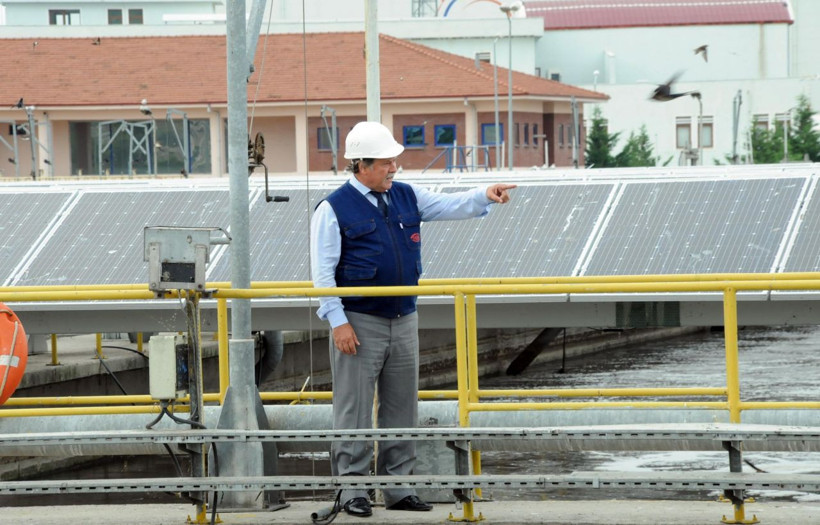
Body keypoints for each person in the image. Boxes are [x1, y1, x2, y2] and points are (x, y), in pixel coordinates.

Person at [310, 121, 516, 518]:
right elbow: (322, 272)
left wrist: (483, 195)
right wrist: (337, 321)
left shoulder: (405, 196)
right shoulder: (332, 208)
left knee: (402, 406)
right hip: (359, 319)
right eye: (386, 163)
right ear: (362, 165)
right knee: (352, 409)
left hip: (404, 316)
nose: (393, 169)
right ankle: (351, 489)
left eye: (394, 162)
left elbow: (446, 204)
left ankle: (398, 487)